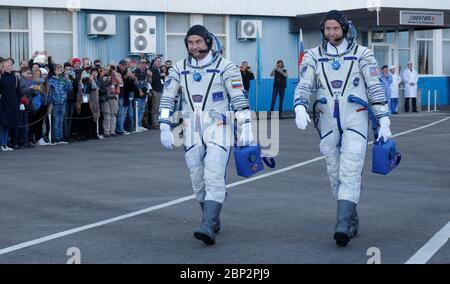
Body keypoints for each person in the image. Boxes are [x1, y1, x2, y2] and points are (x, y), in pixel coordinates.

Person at [293, 10, 392, 246]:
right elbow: (304, 83)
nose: (331, 32)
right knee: (334, 171)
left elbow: (375, 88)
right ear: (323, 30)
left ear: (344, 29)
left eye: (335, 28)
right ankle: (350, 218)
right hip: (327, 118)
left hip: (355, 116)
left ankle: (343, 224)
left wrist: (384, 120)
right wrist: (299, 105)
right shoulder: (313, 56)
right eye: (327, 28)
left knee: (350, 166)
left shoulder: (363, 55)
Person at [159, 25, 253, 245]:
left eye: (199, 42)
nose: (195, 47)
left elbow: (238, 98)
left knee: (213, 173)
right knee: (197, 179)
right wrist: (164, 124)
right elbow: (168, 97)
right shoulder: (179, 69)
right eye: (190, 43)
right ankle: (211, 217)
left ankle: (208, 224)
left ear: (208, 42)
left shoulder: (226, 67)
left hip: (219, 128)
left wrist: (246, 126)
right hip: (190, 129)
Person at [0, 60, 21, 151]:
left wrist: (18, 102)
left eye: (9, 66)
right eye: (6, 66)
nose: (8, 67)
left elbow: (18, 91)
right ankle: (2, 144)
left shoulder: (14, 77)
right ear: (2, 68)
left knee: (8, 124)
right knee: (2, 124)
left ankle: (5, 144)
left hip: (13, 103)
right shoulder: (1, 77)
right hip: (3, 103)